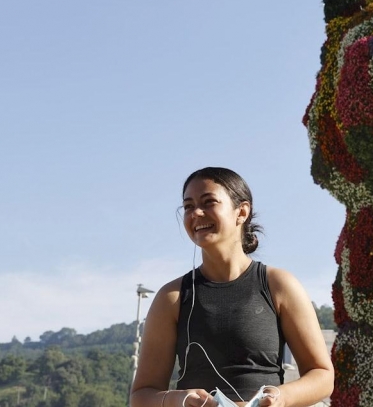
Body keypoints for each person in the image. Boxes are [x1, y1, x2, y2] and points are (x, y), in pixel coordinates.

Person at [131, 167, 334, 407]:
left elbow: (322, 375)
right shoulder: (172, 297)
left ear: (242, 212)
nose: (196, 212)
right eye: (188, 206)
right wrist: (179, 399)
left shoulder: (279, 285)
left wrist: (280, 398)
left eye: (209, 202)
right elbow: (142, 395)